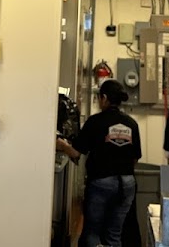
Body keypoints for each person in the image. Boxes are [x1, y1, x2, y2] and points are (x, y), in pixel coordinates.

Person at [56, 79, 141, 247]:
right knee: (114, 233)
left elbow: (76, 152)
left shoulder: (95, 121)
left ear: (104, 98)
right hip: (126, 184)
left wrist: (61, 144)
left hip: (102, 182)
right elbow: (135, 158)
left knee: (92, 232)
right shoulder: (132, 124)